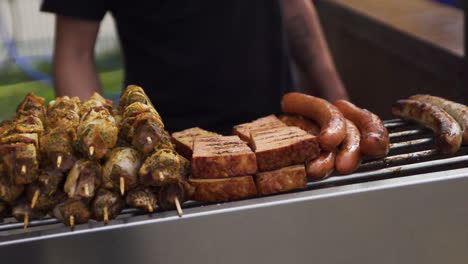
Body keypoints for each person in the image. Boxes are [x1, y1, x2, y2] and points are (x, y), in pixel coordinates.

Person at [41, 0, 348, 134]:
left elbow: (293, 6)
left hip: (282, 133)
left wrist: (340, 104)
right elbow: (74, 54)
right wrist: (100, 147)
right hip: (168, 151)